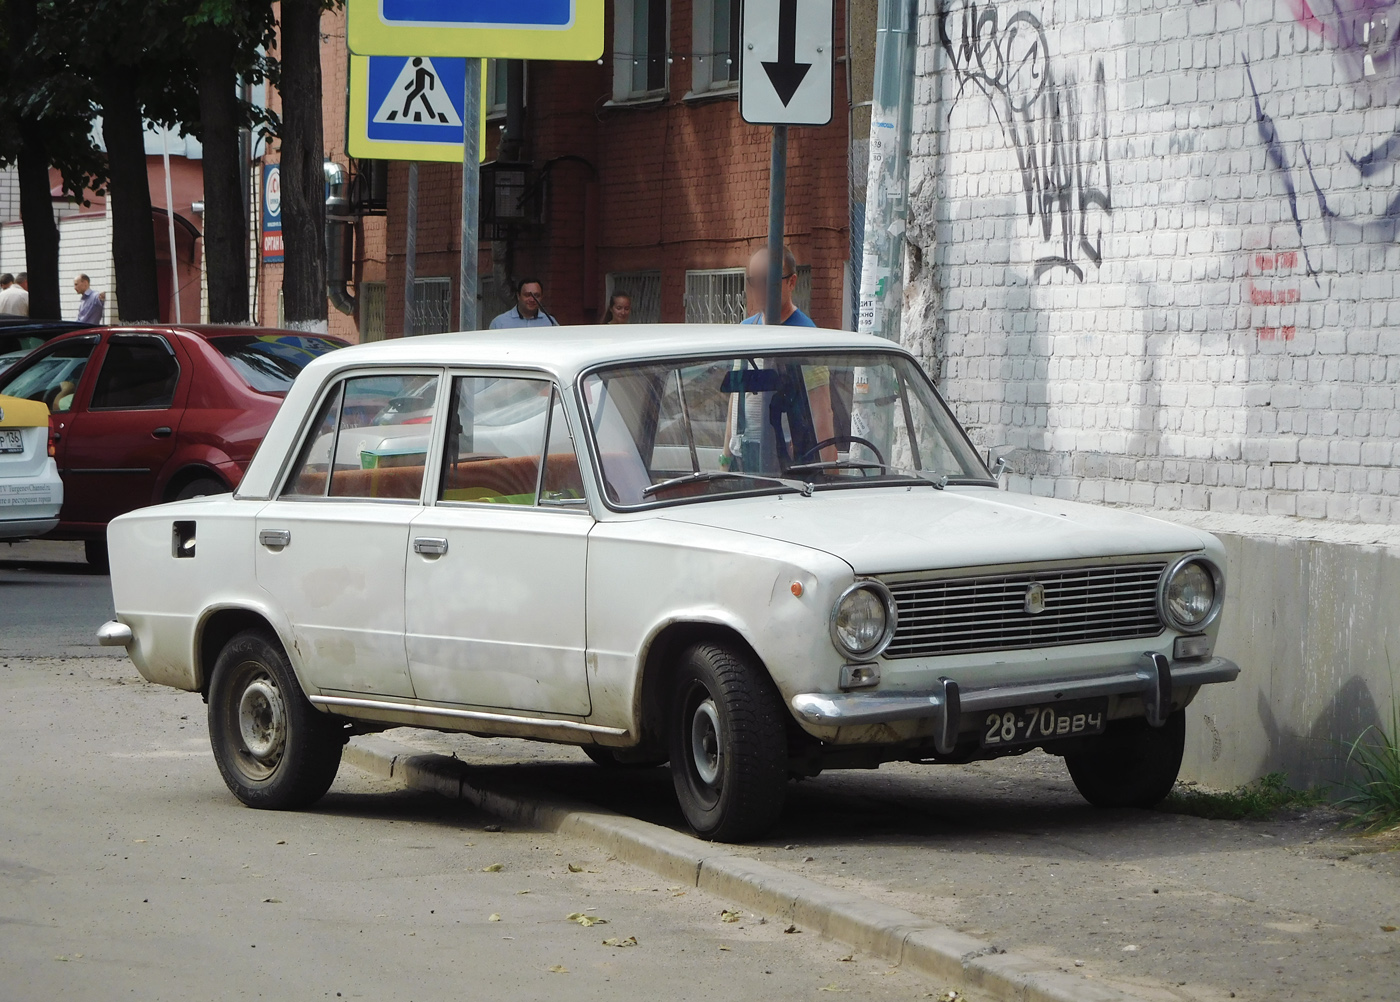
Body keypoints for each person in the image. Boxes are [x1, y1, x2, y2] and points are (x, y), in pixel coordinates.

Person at [740, 246, 815, 327]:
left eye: (768, 280)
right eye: (755, 281)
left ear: (791, 282)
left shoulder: (806, 333)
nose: (760, 288)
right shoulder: (746, 328)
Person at [489, 277, 558, 329]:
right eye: (527, 295)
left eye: (536, 296)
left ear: (541, 297)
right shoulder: (500, 323)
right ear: (518, 296)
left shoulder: (550, 322)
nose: (532, 299)